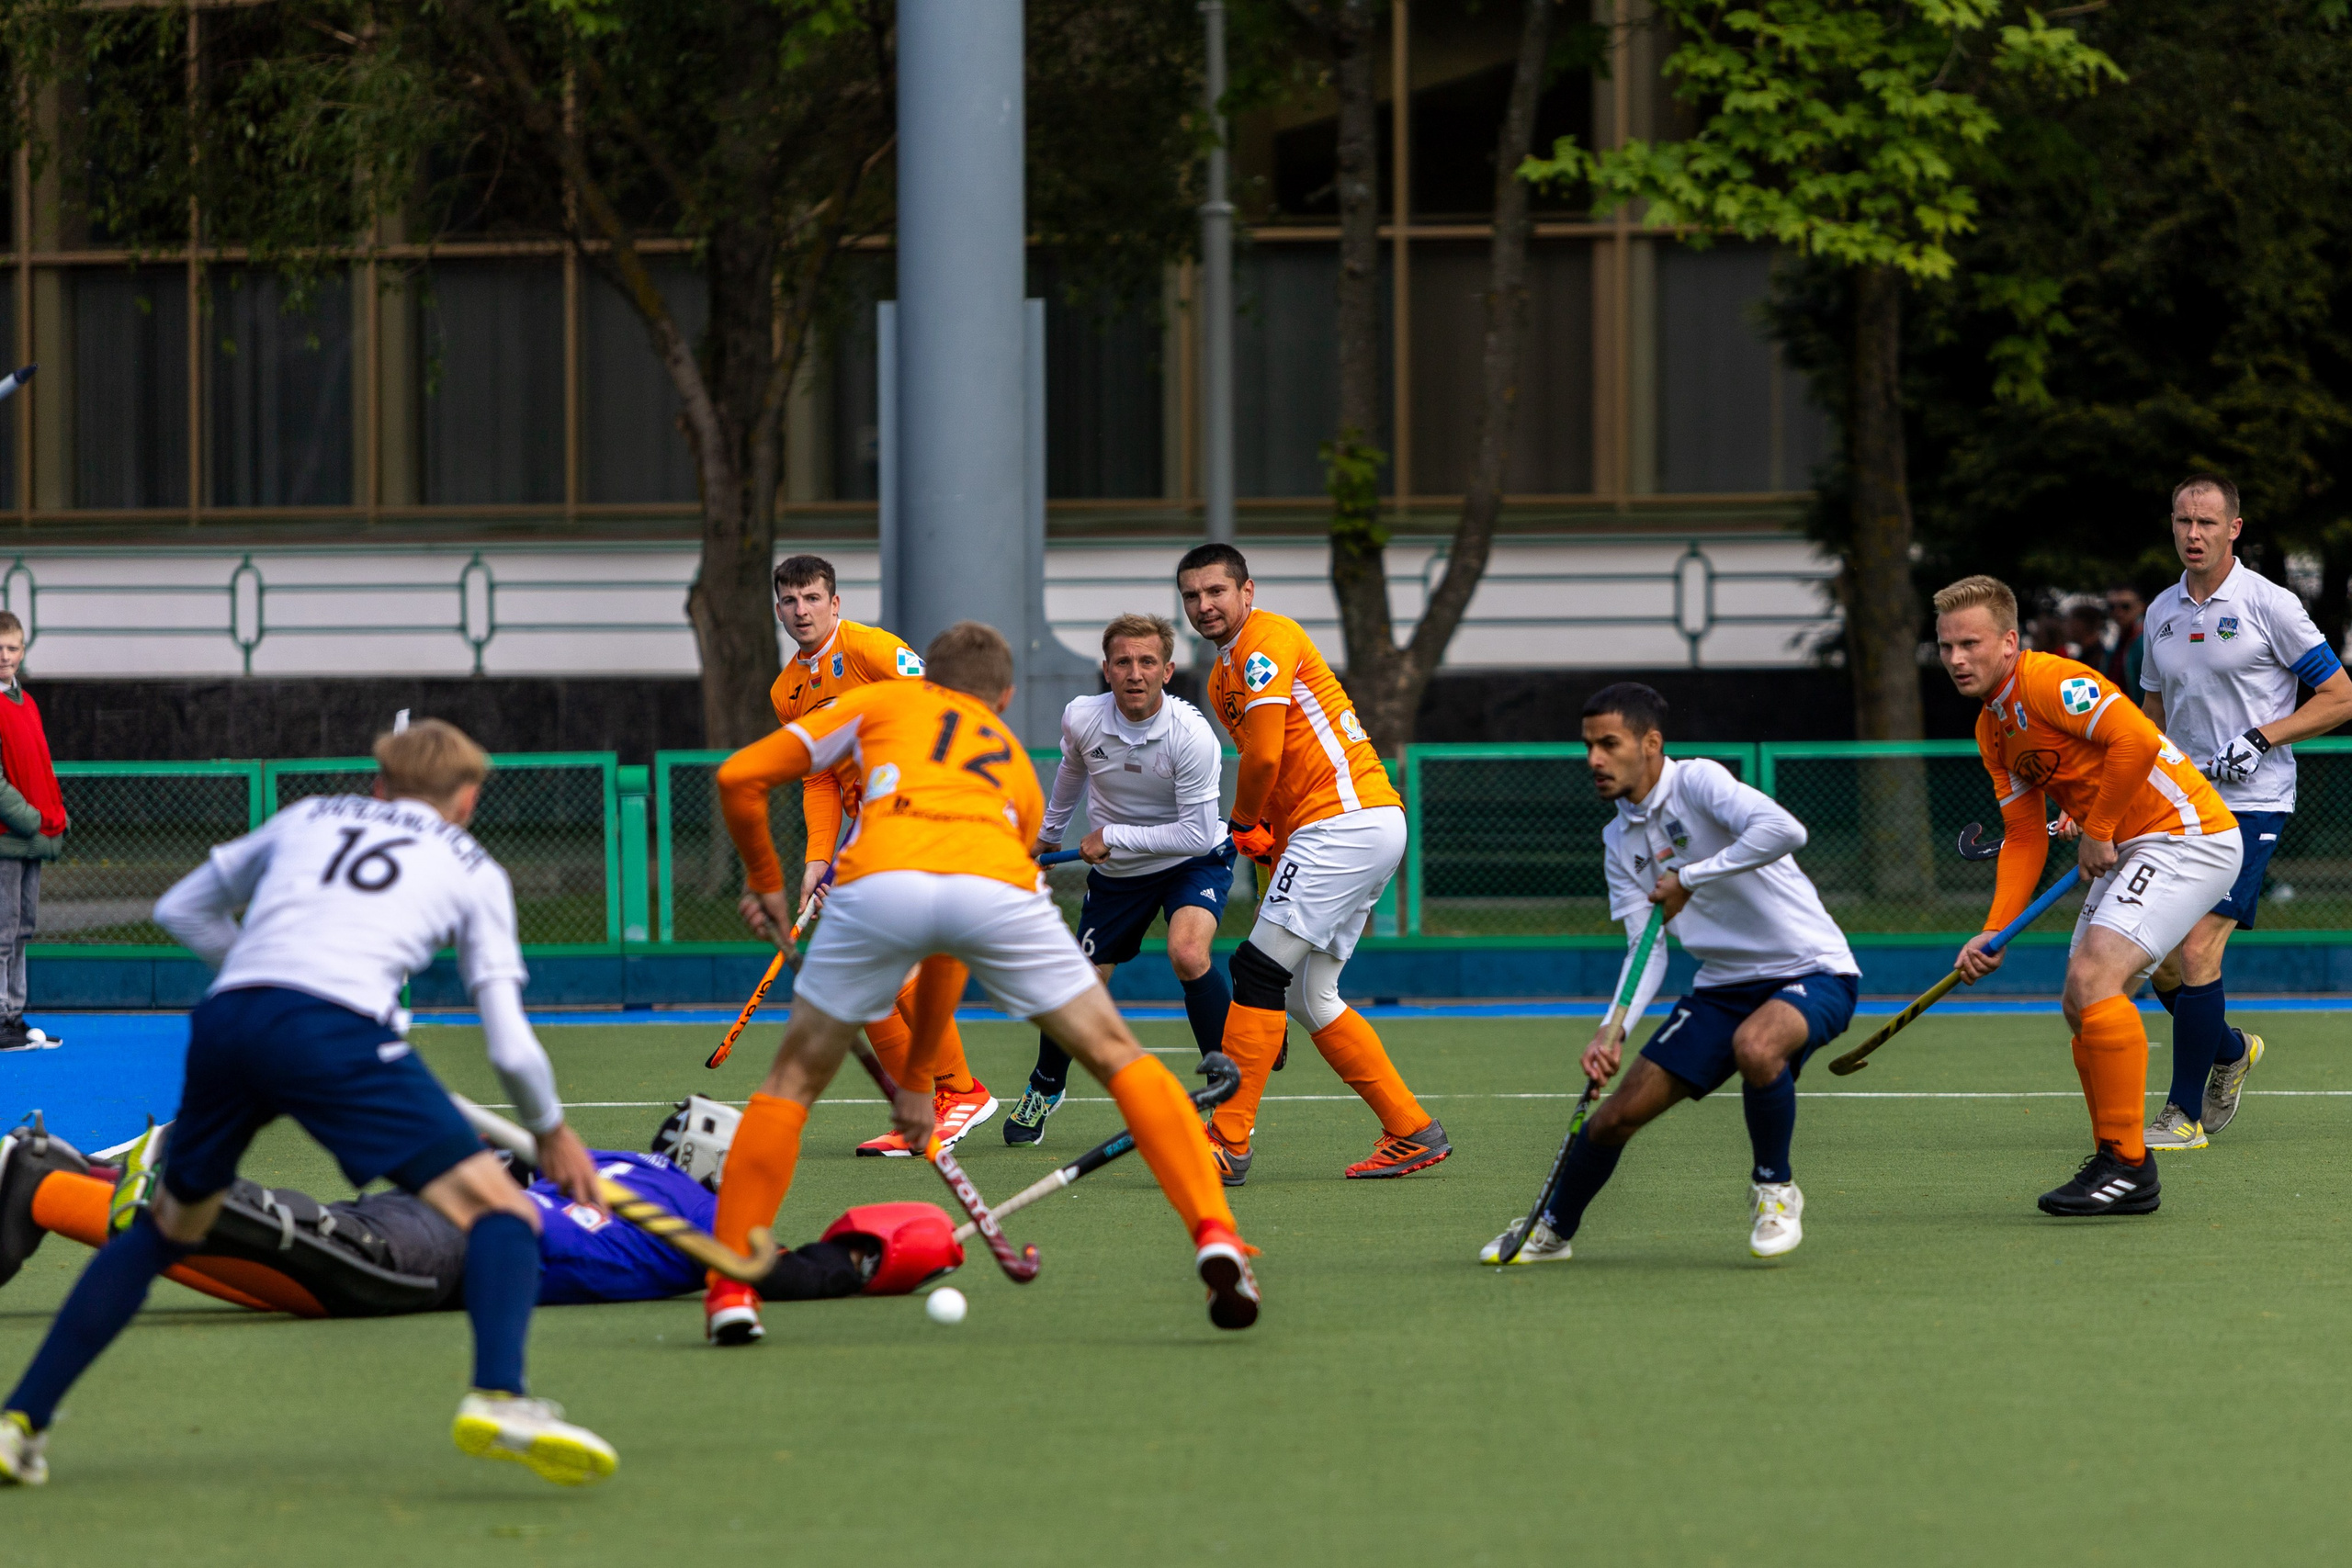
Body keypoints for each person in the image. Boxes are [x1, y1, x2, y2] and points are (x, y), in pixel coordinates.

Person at [0, 720, 616, 1491]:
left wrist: (271, 970)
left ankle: (20, 1420)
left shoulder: (311, 814)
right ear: (466, 800)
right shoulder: (474, 865)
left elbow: (182, 908)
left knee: (170, 1226)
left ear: (381, 784)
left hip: (231, 1019)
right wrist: (552, 1130)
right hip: (338, 1033)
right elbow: (509, 1042)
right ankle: (501, 1393)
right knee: (505, 1214)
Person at [701, 621, 1259, 1347]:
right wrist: (918, 1083)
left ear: (923, 675)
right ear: (1005, 694)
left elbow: (736, 776)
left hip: (878, 882)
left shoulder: (880, 705)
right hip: (996, 893)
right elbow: (951, 941)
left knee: (792, 1081)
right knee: (1120, 1055)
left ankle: (731, 1292)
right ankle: (1215, 1233)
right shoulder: (1016, 772)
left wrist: (766, 882)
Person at [1480, 683, 1860, 1266]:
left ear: (1650, 743)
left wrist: (1691, 877)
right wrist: (1613, 1028)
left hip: (1813, 969)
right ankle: (1550, 1229)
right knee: (1613, 1118)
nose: (1594, 761)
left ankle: (1775, 1191)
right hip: (1722, 987)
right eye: (1588, 747)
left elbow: (1786, 832)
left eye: (1609, 745)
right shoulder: (1618, 840)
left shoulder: (1699, 783)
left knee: (1757, 1047)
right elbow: (1646, 946)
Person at [0, 1109, 962, 1315]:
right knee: (332, 1268)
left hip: (445, 1214)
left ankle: (49, 1185)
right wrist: (873, 1258)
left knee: (309, 1285)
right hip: (458, 1241)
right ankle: (74, 1183)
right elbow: (789, 1272)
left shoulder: (626, 1167)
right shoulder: (708, 1230)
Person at [1935, 575, 2241, 1216]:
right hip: (2133, 843)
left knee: (2096, 975)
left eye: (1970, 643)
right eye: (1945, 646)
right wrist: (1994, 931)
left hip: (2186, 831)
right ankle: (2119, 1156)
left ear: (2009, 641)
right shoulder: (1992, 728)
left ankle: (2129, 1165)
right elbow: (2023, 835)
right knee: (2080, 997)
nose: (1956, 658)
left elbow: (2134, 736)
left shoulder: (2050, 681)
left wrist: (2098, 829)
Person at [1176, 543, 1444, 1185]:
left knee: (1257, 970)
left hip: (1345, 821)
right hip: (1338, 829)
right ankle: (1411, 1129)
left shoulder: (1267, 638)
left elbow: (1264, 758)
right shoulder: (1222, 676)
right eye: (1192, 595)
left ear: (1247, 591)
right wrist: (1264, 834)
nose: (1205, 604)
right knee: (1306, 992)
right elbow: (1277, 780)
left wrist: (1241, 823)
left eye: (1217, 591)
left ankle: (1228, 1139)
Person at [2132, 475, 2352, 1149]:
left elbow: (2340, 695)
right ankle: (2228, 1048)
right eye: (2182, 520)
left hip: (2252, 805)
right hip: (2181, 807)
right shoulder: (2160, 612)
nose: (2192, 533)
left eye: (2206, 521)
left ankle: (2182, 1116)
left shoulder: (2270, 604)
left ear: (2234, 528)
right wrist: (2120, 794)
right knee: (2158, 961)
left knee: (2198, 946)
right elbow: (2151, 716)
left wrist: (2262, 738)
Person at [765, 554, 997, 1156]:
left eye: (813, 598)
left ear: (835, 603)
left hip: (915, 816)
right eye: (790, 601)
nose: (802, 611)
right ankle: (918, 1106)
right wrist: (819, 855)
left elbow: (938, 708)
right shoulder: (787, 691)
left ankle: (961, 1092)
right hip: (865, 836)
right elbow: (817, 778)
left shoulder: (871, 650)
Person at [1011, 613, 1234, 1145]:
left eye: (1147, 662)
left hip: (1191, 860)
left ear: (1168, 670)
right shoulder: (1082, 718)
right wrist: (1047, 833)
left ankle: (1229, 1087)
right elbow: (1071, 770)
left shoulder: (1192, 737)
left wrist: (1116, 836)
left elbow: (1198, 836)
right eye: (1123, 662)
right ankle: (1046, 1084)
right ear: (1106, 670)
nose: (1135, 673)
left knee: (1188, 952)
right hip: (1119, 874)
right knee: (1080, 984)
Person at [0, 612, 65, 1054]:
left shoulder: (28, 703)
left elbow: (41, 768)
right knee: (1, 931)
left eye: (11, 648)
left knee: (23, 928)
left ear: (23, 651)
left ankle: (12, 1016)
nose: (4, 657)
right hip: (7, 838)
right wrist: (31, 821)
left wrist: (56, 817)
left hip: (30, 840)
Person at [2099, 585, 2147, 694]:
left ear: (2140, 607)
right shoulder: (2114, 641)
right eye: (2111, 607)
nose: (2118, 612)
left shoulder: (2146, 640)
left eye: (2125, 606)